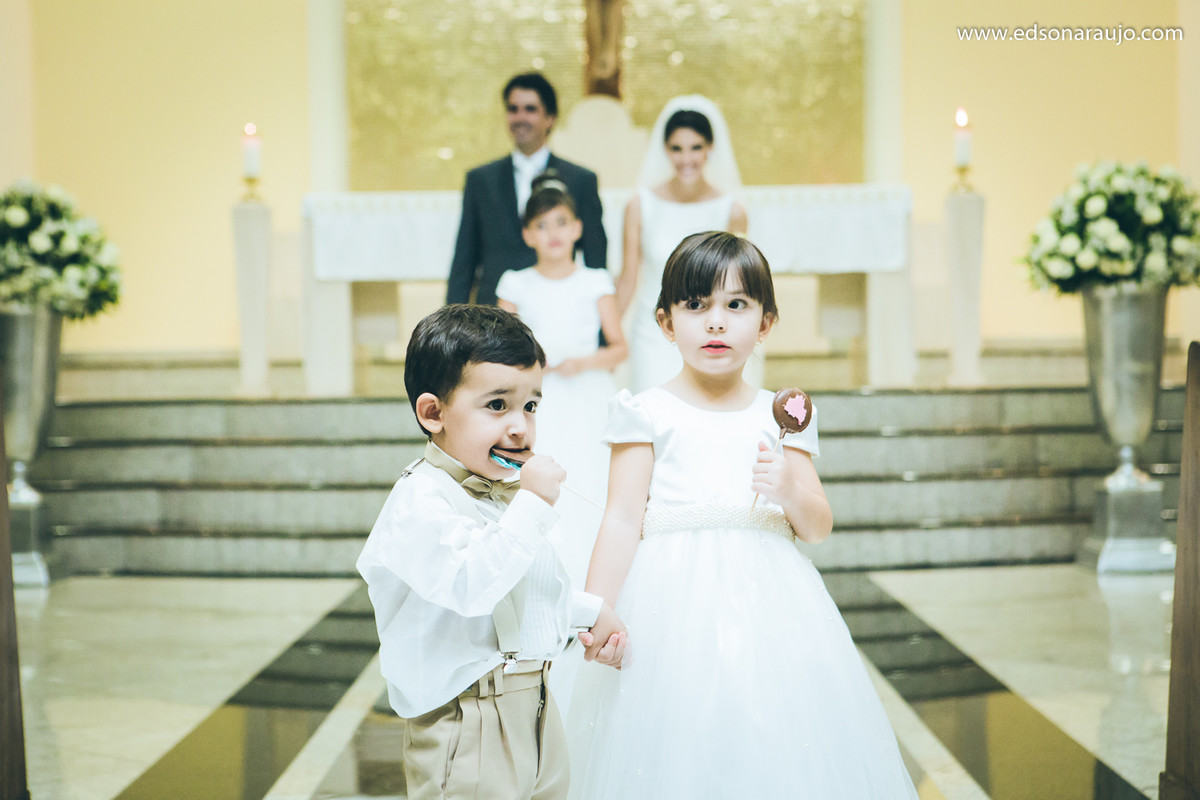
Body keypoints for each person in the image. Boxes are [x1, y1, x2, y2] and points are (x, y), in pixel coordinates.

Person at [568, 233, 918, 799]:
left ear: (765, 324)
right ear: (664, 322)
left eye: (736, 305)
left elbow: (818, 525)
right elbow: (620, 519)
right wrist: (596, 610)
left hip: (771, 599)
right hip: (669, 600)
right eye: (696, 305)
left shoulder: (781, 415)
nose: (715, 323)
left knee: (772, 729)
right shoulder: (645, 412)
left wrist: (789, 490)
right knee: (675, 734)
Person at [356, 304, 627, 800]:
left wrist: (590, 612)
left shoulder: (505, 493)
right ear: (433, 413)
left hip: (537, 706)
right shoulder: (421, 501)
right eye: (498, 406)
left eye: (531, 406)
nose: (521, 427)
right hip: (467, 719)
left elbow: (523, 592)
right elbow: (474, 585)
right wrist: (533, 503)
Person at [496, 174, 628, 715]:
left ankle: (595, 595)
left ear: (576, 227)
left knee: (592, 484)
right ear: (529, 234)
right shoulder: (516, 281)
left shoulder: (594, 279)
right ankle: (547, 595)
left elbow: (617, 346)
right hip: (540, 396)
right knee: (542, 488)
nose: (553, 234)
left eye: (561, 223)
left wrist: (581, 361)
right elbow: (499, 345)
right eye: (542, 226)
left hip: (585, 391)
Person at [616, 95, 764, 392]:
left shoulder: (731, 211)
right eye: (677, 149)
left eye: (696, 148)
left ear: (710, 148)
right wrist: (606, 336)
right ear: (665, 150)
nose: (686, 159)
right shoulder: (640, 206)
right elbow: (628, 279)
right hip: (652, 332)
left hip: (709, 333)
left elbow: (739, 283)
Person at [446, 73, 608, 306]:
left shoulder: (580, 180)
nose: (520, 117)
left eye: (530, 109)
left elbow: (595, 256)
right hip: (494, 312)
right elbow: (464, 260)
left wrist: (599, 322)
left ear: (549, 118)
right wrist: (451, 323)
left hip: (559, 305)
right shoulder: (480, 180)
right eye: (513, 109)